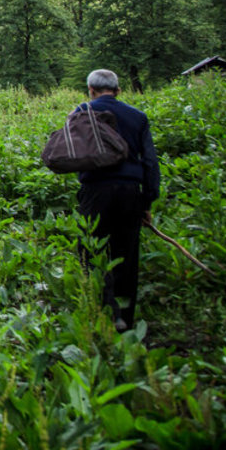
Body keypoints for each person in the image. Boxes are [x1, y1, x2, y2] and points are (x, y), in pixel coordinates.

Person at [76, 68, 161, 332]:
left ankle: (104, 312)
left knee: (92, 252)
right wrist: (147, 202)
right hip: (129, 192)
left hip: (94, 193)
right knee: (126, 253)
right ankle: (125, 317)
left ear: (90, 90)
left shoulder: (82, 113)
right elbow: (150, 163)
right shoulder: (138, 117)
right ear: (119, 91)